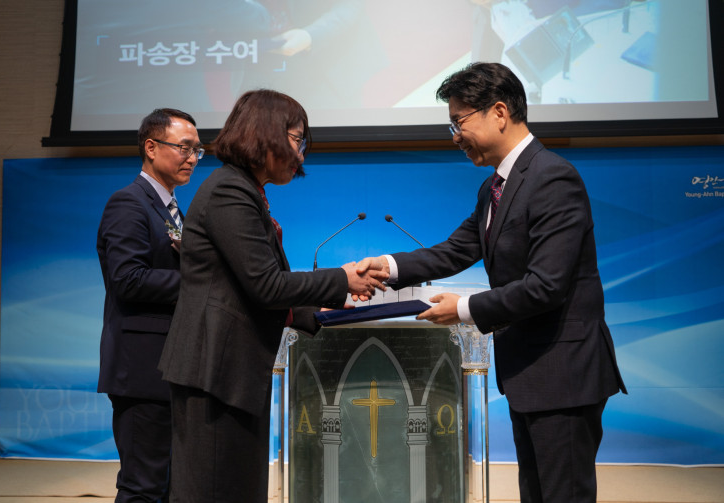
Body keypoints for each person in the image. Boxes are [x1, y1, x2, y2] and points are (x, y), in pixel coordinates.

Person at [356, 62, 626, 503]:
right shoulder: (495, 188)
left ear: (499, 112)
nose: (455, 137)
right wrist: (387, 267)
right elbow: (453, 251)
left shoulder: (553, 177)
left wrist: (463, 310)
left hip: (563, 374)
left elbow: (547, 285)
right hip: (528, 374)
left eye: (458, 122)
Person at [158, 89, 387, 502]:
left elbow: (247, 287)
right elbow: (265, 285)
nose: (300, 153)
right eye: (296, 139)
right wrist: (341, 279)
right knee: (212, 491)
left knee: (236, 489)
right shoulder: (229, 191)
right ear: (264, 134)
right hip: (214, 370)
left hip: (231, 370)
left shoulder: (244, 189)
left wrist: (316, 308)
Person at [96, 107, 203, 502]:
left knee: (171, 487)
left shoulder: (174, 210)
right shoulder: (128, 203)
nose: (192, 158)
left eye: (197, 150)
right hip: (142, 370)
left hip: (172, 368)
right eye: (184, 148)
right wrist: (204, 284)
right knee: (143, 487)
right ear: (151, 147)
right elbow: (128, 279)